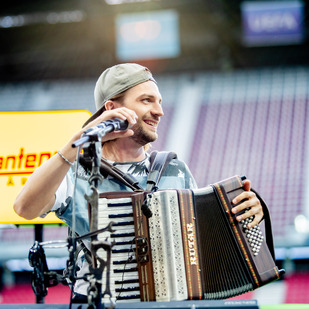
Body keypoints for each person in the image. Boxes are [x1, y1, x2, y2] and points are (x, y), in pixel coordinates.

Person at [14, 63, 263, 302]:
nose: (159, 111)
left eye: (159, 102)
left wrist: (242, 213)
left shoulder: (175, 169)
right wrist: (78, 141)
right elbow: (25, 208)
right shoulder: (75, 172)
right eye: (147, 100)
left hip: (171, 301)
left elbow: (199, 241)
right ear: (112, 107)